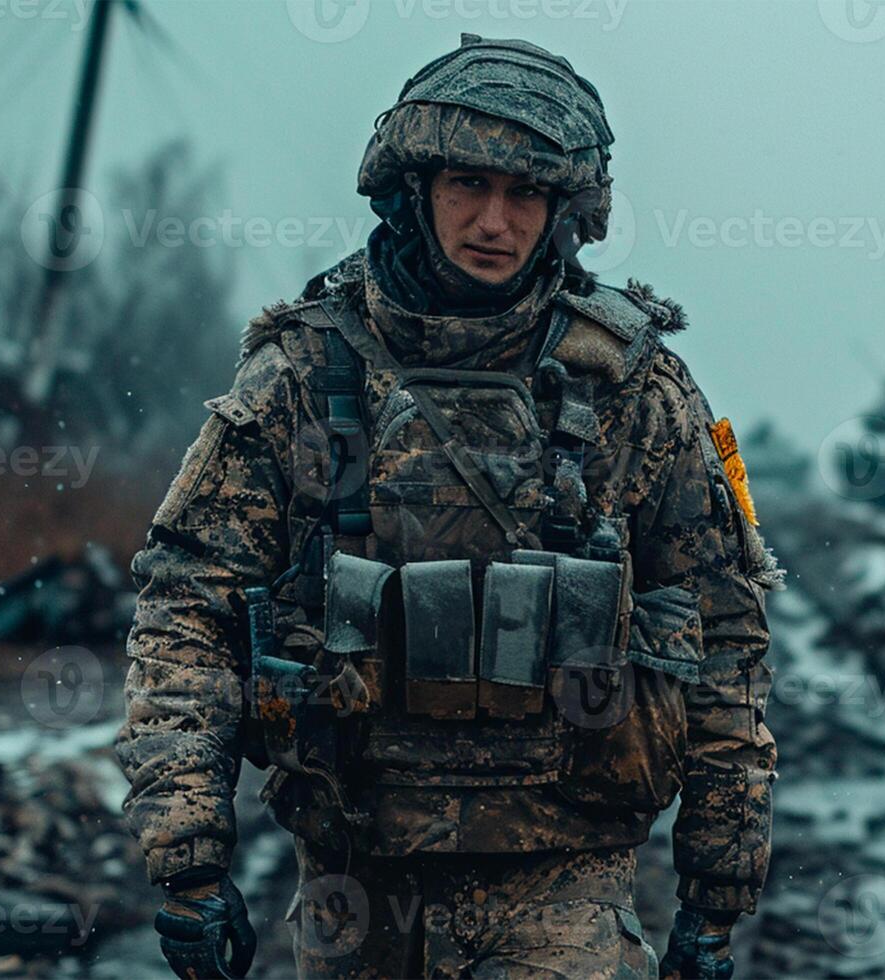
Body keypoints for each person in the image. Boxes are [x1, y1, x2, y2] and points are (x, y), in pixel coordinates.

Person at [115, 34, 779, 978]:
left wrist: (718, 890)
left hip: (566, 877)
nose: (494, 222)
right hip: (356, 868)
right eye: (468, 183)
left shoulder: (634, 389)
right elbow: (189, 604)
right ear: (413, 186)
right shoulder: (304, 373)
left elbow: (725, 636)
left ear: (564, 213)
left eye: (527, 195)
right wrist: (186, 856)